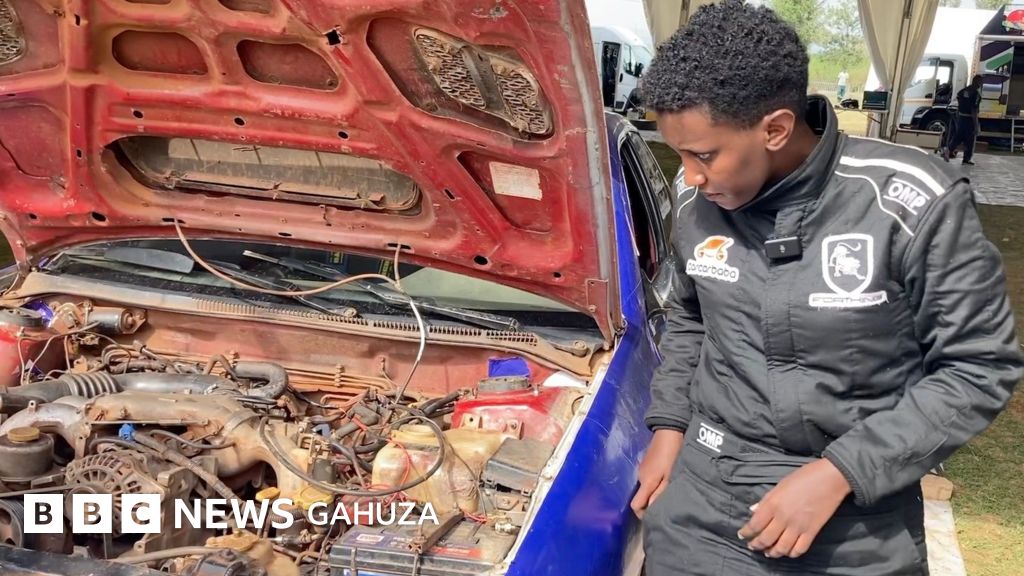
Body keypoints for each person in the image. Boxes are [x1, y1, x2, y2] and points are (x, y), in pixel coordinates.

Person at [631, 2, 1022, 575]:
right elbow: (692, 319)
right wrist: (668, 429)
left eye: (704, 155)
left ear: (775, 129)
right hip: (705, 498)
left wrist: (840, 472)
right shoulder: (698, 203)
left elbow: (978, 367)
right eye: (681, 153)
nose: (688, 175)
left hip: (855, 520)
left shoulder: (911, 202)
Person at [945, 74, 983, 166]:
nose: (981, 84)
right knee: (969, 140)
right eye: (981, 82)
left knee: (958, 137)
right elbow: (974, 110)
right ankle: (966, 159)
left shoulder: (963, 91)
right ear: (977, 82)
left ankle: (947, 151)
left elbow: (958, 98)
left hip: (961, 117)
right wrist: (976, 125)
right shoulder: (976, 94)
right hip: (969, 119)